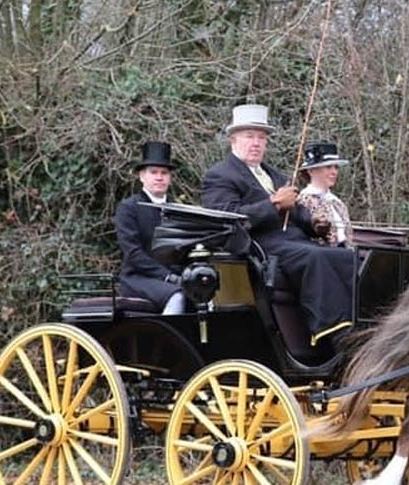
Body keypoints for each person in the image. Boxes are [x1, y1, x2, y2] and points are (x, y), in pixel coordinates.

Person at [201, 104, 354, 349]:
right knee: (316, 258)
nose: (256, 143)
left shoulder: (276, 175)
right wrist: (272, 203)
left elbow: (297, 213)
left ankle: (355, 325)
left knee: (345, 257)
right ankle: (334, 335)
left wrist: (315, 224)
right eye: (249, 136)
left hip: (293, 244)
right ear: (233, 140)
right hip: (260, 248)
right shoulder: (220, 175)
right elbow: (226, 218)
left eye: (261, 138)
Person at [114, 141, 186, 314]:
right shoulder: (129, 208)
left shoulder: (180, 210)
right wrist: (167, 276)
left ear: (170, 178)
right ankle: (170, 341)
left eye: (164, 173)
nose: (159, 177)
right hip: (138, 279)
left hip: (173, 278)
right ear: (142, 176)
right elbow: (133, 253)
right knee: (178, 295)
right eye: (153, 172)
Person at [297, 142, 353, 247]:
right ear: (311, 170)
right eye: (328, 167)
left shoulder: (337, 203)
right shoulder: (303, 202)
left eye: (336, 167)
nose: (334, 172)